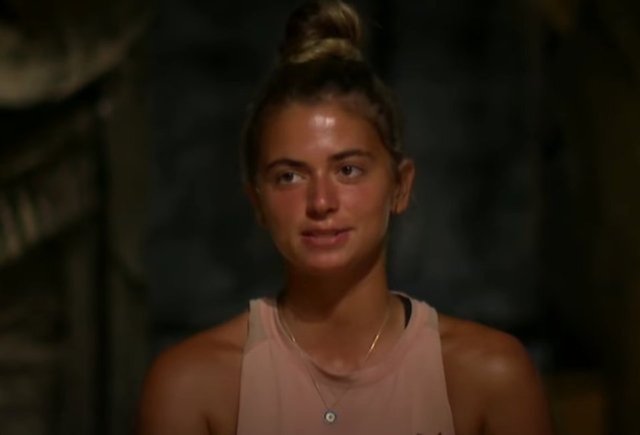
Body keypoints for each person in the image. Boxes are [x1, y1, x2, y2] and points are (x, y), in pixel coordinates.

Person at [136, 1, 554, 434]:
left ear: (400, 185)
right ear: (257, 201)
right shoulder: (192, 386)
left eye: (348, 170)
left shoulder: (489, 377)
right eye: (289, 176)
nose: (321, 202)